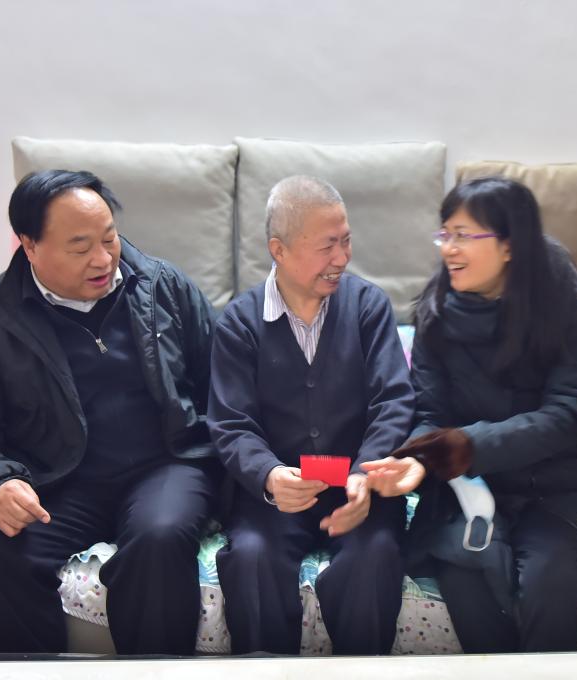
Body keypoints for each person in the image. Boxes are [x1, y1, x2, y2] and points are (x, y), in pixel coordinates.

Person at [0, 170, 222, 655]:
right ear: (29, 246)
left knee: (161, 538)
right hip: (53, 481)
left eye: (109, 238)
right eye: (80, 248)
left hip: (164, 466)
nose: (102, 259)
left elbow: (223, 387)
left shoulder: (164, 287)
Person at [363, 177, 577, 653]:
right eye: (445, 234)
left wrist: (465, 446)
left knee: (549, 581)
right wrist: (420, 460)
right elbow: (430, 411)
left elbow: (564, 417)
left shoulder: (563, 306)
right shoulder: (436, 312)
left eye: (464, 235)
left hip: (549, 483)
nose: (449, 249)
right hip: (463, 488)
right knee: (468, 579)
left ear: (509, 245)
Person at [207, 175, 414, 655]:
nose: (341, 258)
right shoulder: (239, 322)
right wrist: (269, 474)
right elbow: (231, 423)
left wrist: (364, 474)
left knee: (374, 559)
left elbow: (394, 400)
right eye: (326, 246)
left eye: (346, 242)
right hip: (278, 492)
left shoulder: (367, 306)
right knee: (251, 560)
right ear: (278, 250)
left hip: (357, 487)